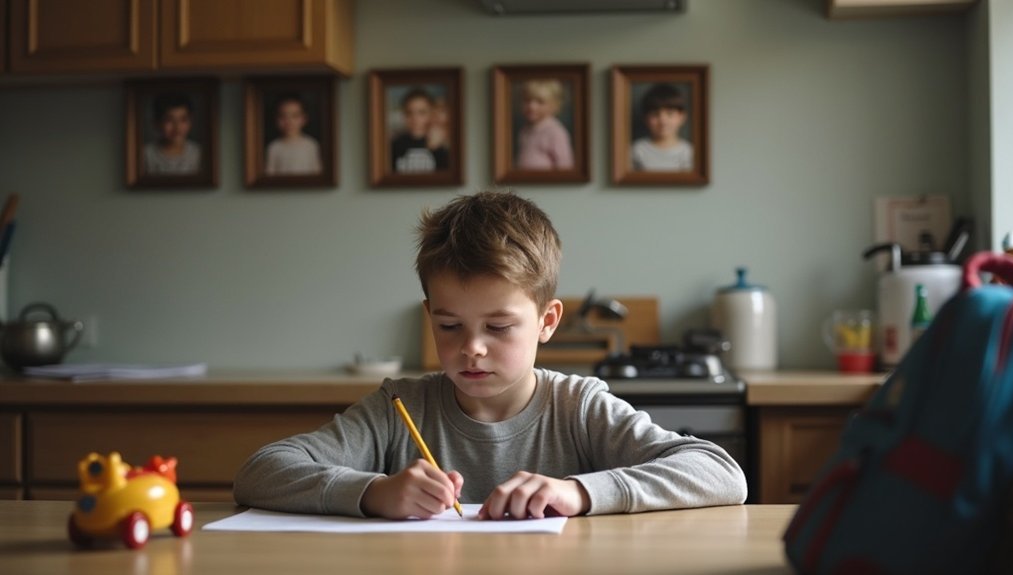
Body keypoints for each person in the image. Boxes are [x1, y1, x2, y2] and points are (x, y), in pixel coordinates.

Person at [234, 190, 747, 520]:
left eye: (498, 327)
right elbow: (261, 470)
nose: (472, 347)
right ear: (429, 315)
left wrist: (579, 493)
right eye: (449, 325)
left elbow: (720, 472)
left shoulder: (577, 406)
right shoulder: (398, 408)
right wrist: (373, 493)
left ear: (547, 321)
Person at [631, 83, 694, 172]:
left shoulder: (689, 152)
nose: (663, 121)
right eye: (655, 114)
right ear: (645, 118)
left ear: (682, 117)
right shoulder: (635, 151)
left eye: (670, 114)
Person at [515, 79, 574, 170]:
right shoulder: (525, 130)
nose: (531, 106)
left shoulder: (556, 132)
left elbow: (565, 164)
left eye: (540, 102)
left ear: (554, 105)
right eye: (527, 100)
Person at [391, 87, 449, 174]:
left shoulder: (441, 145)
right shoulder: (394, 145)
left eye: (422, 112)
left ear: (431, 113)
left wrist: (436, 149)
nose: (415, 118)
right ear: (404, 115)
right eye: (409, 113)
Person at [143, 92, 201, 175]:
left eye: (183, 120)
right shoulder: (146, 155)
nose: (177, 127)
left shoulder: (198, 154)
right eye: (169, 120)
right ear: (157, 123)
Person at [265, 93, 322, 176]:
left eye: (295, 116)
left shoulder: (311, 145)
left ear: (304, 119)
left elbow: (317, 173)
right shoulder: (274, 147)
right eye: (283, 116)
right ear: (276, 119)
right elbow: (269, 175)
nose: (288, 121)